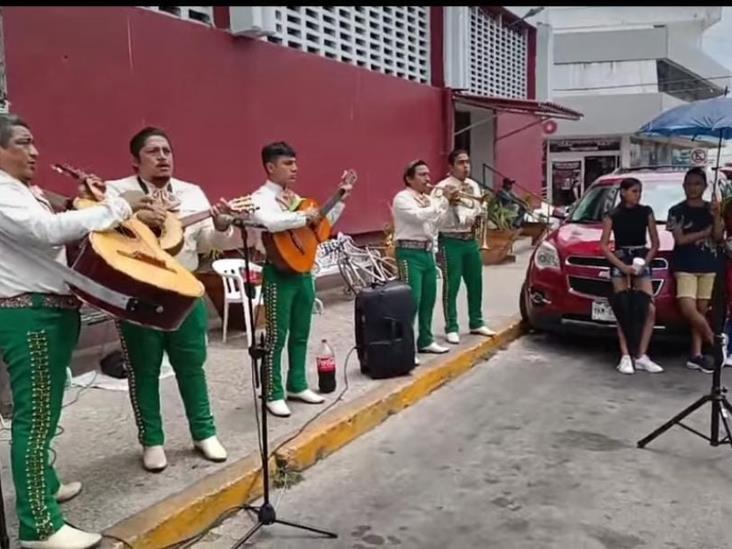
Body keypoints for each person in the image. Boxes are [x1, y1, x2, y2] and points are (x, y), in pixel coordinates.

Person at [0, 114, 153, 548]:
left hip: (47, 311)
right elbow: (43, 231)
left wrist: (83, 202)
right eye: (24, 143)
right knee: (35, 419)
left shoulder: (20, 192)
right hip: (29, 315)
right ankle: (38, 527)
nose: (35, 152)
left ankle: (42, 486)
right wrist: (113, 207)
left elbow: (56, 221)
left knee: (44, 414)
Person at [104, 127, 241, 472]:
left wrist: (222, 225)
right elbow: (105, 235)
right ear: (136, 160)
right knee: (143, 369)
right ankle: (151, 441)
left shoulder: (192, 193)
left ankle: (204, 433)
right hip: (139, 292)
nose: (163, 157)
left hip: (185, 287)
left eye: (167, 150)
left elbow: (211, 241)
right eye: (153, 151)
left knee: (191, 365)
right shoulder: (116, 192)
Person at [248, 141, 354, 418]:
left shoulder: (296, 198)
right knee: (275, 337)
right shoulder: (260, 197)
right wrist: (302, 216)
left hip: (304, 271)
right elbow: (270, 223)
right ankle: (272, 392)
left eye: (295, 163)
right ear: (270, 167)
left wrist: (341, 197)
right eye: (287, 164)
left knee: (301, 333)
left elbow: (320, 227)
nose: (294, 168)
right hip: (278, 274)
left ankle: (297, 383)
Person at [599, 178, 663, 375]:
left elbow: (655, 242)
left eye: (639, 191)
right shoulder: (612, 215)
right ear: (623, 192)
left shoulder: (646, 212)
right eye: (634, 191)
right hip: (621, 258)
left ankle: (641, 354)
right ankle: (625, 355)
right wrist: (621, 266)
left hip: (640, 257)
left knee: (649, 308)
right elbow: (604, 245)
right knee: (623, 308)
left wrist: (645, 261)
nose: (638, 195)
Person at [432, 150, 496, 345]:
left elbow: (477, 209)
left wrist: (476, 214)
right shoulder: (441, 188)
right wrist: (449, 203)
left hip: (470, 240)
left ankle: (476, 322)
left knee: (475, 282)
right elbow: (435, 218)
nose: (466, 166)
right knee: (452, 284)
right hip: (449, 239)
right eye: (461, 163)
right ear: (451, 166)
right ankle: (451, 326)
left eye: (468, 162)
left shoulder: (473, 186)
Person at [394, 159, 453, 362]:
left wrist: (444, 204)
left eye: (428, 174)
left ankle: (426, 340)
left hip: (427, 252)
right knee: (412, 301)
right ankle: (406, 347)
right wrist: (439, 203)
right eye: (421, 174)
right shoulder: (402, 198)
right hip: (409, 253)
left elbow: (437, 223)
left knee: (429, 299)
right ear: (409, 178)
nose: (427, 179)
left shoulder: (428, 199)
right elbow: (418, 217)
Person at [666, 167, 724, 373]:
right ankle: (716, 342)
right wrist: (704, 232)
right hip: (685, 265)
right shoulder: (676, 210)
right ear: (683, 186)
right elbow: (680, 239)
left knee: (700, 311)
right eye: (689, 184)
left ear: (705, 186)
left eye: (697, 183)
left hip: (709, 264)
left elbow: (718, 237)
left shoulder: (712, 209)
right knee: (688, 308)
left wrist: (717, 217)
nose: (693, 188)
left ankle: (696, 354)